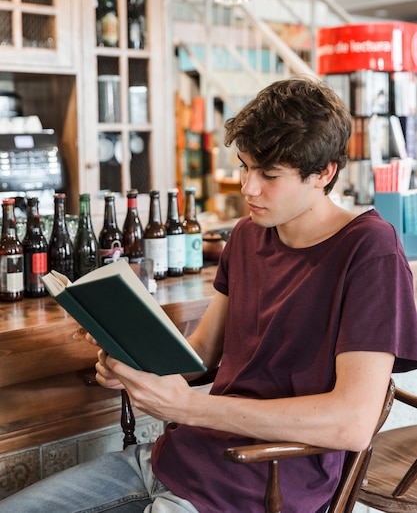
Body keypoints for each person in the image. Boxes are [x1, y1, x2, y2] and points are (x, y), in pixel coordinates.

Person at [2, 76, 417, 513]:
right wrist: (131, 360)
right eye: (244, 166)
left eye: (269, 174)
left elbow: (351, 423)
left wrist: (189, 409)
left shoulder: (369, 249)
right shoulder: (245, 236)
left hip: (259, 486)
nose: (248, 187)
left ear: (325, 173)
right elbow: (199, 354)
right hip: (174, 460)